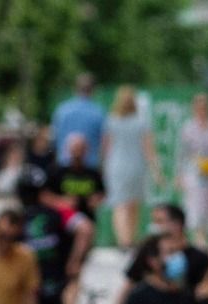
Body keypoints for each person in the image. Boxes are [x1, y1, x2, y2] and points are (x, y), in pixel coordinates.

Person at [20, 166, 94, 304]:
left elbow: (85, 229)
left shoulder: (59, 211)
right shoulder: (23, 214)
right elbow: (86, 229)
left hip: (54, 275)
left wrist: (75, 261)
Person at [114, 235, 202, 304]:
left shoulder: (188, 298)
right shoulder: (138, 297)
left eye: (178, 252)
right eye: (171, 252)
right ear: (152, 261)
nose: (178, 258)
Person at [102, 87, 157, 250]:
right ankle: (130, 238)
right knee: (133, 205)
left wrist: (103, 167)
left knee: (119, 204)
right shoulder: (141, 122)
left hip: (116, 166)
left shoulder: (111, 121)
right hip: (136, 166)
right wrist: (156, 171)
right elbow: (149, 150)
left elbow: (106, 147)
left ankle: (123, 240)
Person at [175, 93, 208, 244]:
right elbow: (182, 153)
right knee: (195, 204)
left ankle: (205, 235)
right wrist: (179, 174)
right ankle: (199, 238)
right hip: (195, 170)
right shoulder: (188, 127)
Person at [150, 202, 208, 291]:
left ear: (177, 224)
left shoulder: (200, 258)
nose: (155, 226)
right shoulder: (149, 254)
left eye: (159, 221)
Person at [52, 73, 105, 168]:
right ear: (93, 90)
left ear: (75, 88)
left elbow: (54, 138)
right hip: (90, 167)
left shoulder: (62, 110)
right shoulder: (99, 113)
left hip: (64, 164)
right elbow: (104, 142)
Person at [54, 133, 106, 223]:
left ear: (87, 150)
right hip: (64, 216)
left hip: (89, 216)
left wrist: (97, 199)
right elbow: (44, 195)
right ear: (68, 149)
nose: (78, 152)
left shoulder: (94, 173)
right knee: (85, 229)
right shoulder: (58, 171)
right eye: (75, 148)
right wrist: (61, 201)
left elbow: (103, 194)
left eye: (81, 148)